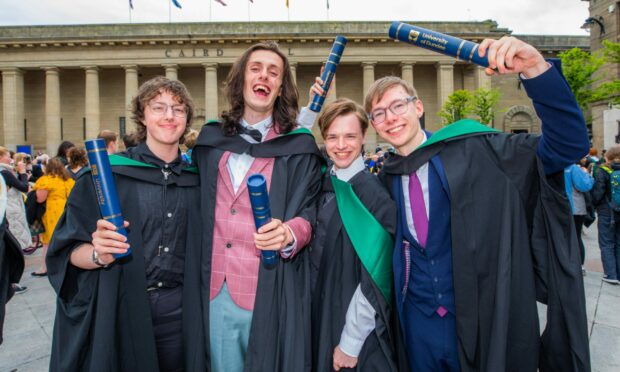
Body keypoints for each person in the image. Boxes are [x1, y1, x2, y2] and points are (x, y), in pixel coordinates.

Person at [367, 36, 590, 371]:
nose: (390, 118)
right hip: (417, 323)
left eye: (398, 106)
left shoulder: (482, 152)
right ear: (374, 125)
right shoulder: (384, 178)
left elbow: (568, 144)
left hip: (483, 317)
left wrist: (535, 69)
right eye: (379, 113)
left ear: (418, 107)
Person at [46, 76, 201, 371]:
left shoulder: (198, 179)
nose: (169, 115)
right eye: (158, 107)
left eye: (178, 109)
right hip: (119, 307)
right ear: (142, 116)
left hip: (181, 315)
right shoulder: (106, 177)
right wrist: (97, 254)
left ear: (186, 119)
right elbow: (66, 250)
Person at [190, 41, 322, 371]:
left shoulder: (299, 146)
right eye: (256, 68)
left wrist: (290, 233)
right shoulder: (209, 142)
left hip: (271, 287)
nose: (264, 75)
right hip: (217, 290)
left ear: (280, 88)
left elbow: (311, 211)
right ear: (241, 80)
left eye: (273, 72)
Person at [310, 98, 400, 371]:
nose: (340, 145)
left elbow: (376, 278)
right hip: (319, 312)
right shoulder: (323, 185)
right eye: (332, 137)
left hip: (354, 326)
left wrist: (350, 342)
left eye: (350, 136)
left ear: (364, 136)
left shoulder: (373, 196)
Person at [32, 157, 75, 276]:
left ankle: (44, 268)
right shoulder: (67, 179)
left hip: (52, 210)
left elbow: (40, 199)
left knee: (48, 241)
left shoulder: (46, 180)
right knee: (64, 238)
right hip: (66, 209)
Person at [591, 145, 620, 285]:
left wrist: (593, 205)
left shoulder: (604, 171)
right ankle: (619, 273)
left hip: (607, 210)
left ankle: (611, 274)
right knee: (619, 242)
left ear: (607, 157)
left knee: (607, 242)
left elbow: (598, 193)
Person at [564, 160, 594, 273]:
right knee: (576, 236)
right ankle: (579, 265)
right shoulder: (573, 168)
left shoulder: (557, 166)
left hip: (561, 206)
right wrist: (589, 176)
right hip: (576, 207)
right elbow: (584, 186)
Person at [0, 148, 32, 251]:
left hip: (6, 207)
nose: (11, 159)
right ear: (1, 157)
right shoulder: (4, 172)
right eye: (8, 156)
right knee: (15, 240)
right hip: (11, 207)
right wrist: (22, 173)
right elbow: (24, 187)